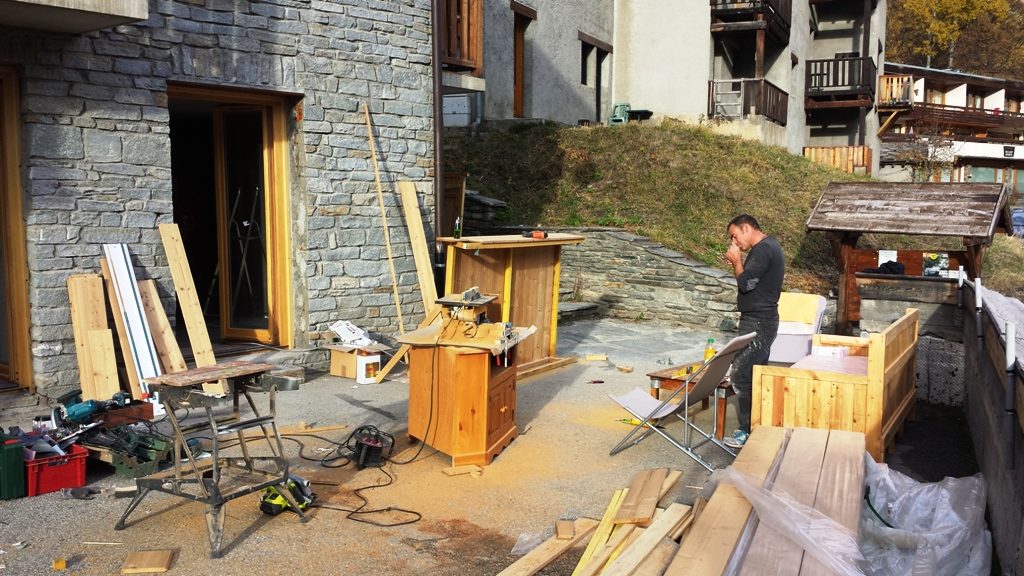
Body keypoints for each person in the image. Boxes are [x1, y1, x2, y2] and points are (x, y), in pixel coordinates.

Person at [722, 214, 784, 449]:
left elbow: (745, 284)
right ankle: (758, 426)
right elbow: (750, 282)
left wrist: (737, 262)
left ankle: (746, 431)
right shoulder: (769, 247)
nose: (735, 242)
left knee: (741, 375)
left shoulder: (762, 249)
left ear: (746, 228)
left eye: (735, 236)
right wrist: (739, 265)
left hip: (759, 322)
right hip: (761, 320)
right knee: (756, 375)